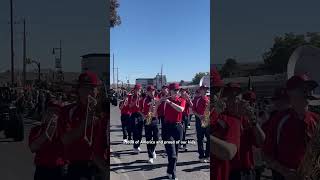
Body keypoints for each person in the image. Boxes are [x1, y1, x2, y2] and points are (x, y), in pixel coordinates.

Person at [263, 74, 320, 180]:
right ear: (290, 93)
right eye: (303, 89)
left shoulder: (317, 119)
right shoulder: (279, 119)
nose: (309, 92)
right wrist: (285, 172)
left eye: (310, 89)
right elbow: (266, 155)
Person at [57, 71, 107, 180]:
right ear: (78, 90)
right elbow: (65, 139)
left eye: (91, 88)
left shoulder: (104, 114)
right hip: (75, 166)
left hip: (100, 167)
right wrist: (86, 122)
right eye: (84, 88)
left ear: (97, 91)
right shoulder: (68, 111)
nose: (87, 92)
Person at [229, 90, 266, 180]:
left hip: (246, 167)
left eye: (252, 102)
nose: (250, 105)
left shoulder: (248, 120)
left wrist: (254, 122)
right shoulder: (226, 118)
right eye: (248, 102)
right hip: (230, 168)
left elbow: (261, 142)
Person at [211, 81, 241, 180]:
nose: (211, 94)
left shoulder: (230, 120)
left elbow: (228, 152)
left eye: (216, 91)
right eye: (208, 89)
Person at [29, 101, 66, 180]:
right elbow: (33, 147)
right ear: (45, 113)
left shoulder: (64, 130)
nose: (53, 114)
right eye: (51, 111)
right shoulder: (37, 129)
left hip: (59, 169)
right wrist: (48, 132)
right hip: (42, 169)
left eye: (56, 112)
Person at [162, 83, 186, 180]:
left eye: (177, 90)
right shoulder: (165, 101)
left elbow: (181, 109)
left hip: (178, 127)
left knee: (175, 153)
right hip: (168, 128)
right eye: (174, 90)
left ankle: (170, 170)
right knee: (172, 155)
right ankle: (173, 174)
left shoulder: (181, 100)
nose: (176, 92)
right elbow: (157, 112)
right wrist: (158, 102)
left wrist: (170, 103)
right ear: (170, 91)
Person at [140, 85, 159, 164]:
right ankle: (150, 156)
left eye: (153, 90)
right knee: (148, 138)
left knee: (156, 137)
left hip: (155, 118)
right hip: (148, 118)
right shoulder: (144, 100)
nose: (152, 92)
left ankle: (153, 149)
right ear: (147, 92)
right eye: (150, 91)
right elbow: (139, 109)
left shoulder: (157, 99)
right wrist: (144, 116)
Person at [192, 85, 210, 162]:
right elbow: (193, 110)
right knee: (200, 139)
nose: (205, 90)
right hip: (200, 120)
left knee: (209, 139)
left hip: (207, 120)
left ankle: (207, 155)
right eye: (203, 89)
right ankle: (201, 156)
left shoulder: (209, 99)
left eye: (206, 89)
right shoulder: (196, 99)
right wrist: (199, 116)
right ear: (200, 90)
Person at [128, 84, 143, 153]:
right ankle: (135, 146)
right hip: (134, 115)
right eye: (137, 89)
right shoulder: (131, 97)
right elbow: (130, 105)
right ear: (134, 90)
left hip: (140, 115)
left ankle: (137, 145)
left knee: (140, 132)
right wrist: (136, 99)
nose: (138, 91)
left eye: (139, 89)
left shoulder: (142, 97)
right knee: (135, 132)